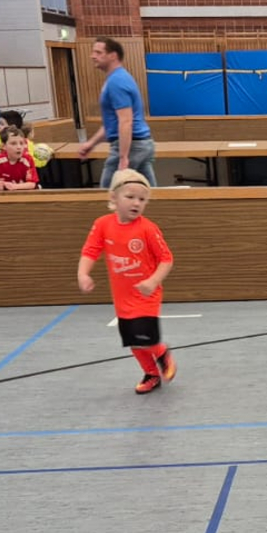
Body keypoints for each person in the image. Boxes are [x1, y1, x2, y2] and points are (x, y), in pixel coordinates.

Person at [77, 169, 178, 394]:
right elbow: (90, 250)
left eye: (142, 199)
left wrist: (153, 281)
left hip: (146, 295)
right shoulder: (103, 224)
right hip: (122, 298)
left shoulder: (147, 228)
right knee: (133, 341)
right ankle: (151, 374)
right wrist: (83, 274)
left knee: (146, 337)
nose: (136, 203)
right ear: (114, 198)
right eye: (130, 197)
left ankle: (162, 353)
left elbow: (166, 259)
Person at [75, 36, 154, 187]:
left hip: (131, 146)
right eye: (93, 52)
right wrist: (91, 143)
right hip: (139, 144)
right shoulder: (116, 79)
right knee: (148, 193)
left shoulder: (117, 81)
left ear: (113, 56)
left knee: (109, 192)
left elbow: (126, 121)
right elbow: (112, 124)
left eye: (98, 52)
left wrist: (123, 157)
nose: (93, 56)